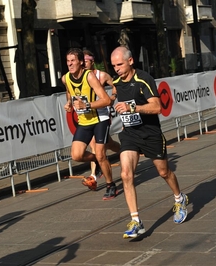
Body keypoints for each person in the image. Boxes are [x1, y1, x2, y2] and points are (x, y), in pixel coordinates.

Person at [111, 46, 188, 239]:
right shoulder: (116, 83)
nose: (117, 69)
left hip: (150, 133)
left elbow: (157, 107)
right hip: (129, 134)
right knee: (126, 174)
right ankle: (136, 221)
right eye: (113, 65)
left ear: (130, 61)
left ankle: (179, 198)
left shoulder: (144, 79)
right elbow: (112, 97)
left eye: (119, 64)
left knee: (164, 172)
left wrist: (133, 107)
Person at [62, 48, 117, 200]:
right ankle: (98, 161)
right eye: (68, 61)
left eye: (73, 61)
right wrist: (69, 103)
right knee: (76, 155)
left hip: (100, 119)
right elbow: (69, 92)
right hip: (84, 121)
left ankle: (110, 184)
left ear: (81, 62)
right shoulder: (65, 78)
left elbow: (105, 100)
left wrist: (86, 106)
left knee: (101, 153)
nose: (70, 64)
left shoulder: (90, 76)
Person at [82, 49, 121, 189]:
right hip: (88, 115)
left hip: (102, 115)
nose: (83, 64)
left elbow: (115, 84)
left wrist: (113, 97)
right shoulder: (82, 76)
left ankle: (94, 176)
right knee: (108, 144)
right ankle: (125, 151)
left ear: (92, 61)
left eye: (85, 61)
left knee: (95, 146)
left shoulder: (102, 75)